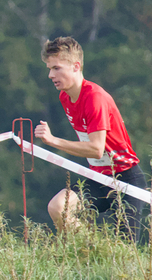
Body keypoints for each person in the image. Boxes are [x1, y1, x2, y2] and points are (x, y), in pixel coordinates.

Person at [33, 36, 146, 241]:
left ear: (76, 66)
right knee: (58, 207)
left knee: (126, 251)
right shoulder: (65, 97)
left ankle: (111, 256)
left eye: (57, 68)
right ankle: (95, 253)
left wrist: (52, 141)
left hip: (126, 178)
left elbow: (96, 149)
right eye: (49, 69)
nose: (50, 75)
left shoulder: (95, 97)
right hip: (100, 177)